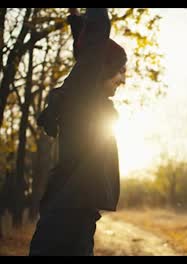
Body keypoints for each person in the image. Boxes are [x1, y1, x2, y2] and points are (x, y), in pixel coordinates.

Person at [30, 8, 127, 256]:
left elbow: (88, 48)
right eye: (120, 69)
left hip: (76, 208)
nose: (123, 78)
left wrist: (76, 20)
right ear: (102, 69)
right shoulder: (84, 97)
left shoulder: (82, 99)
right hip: (68, 207)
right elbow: (94, 45)